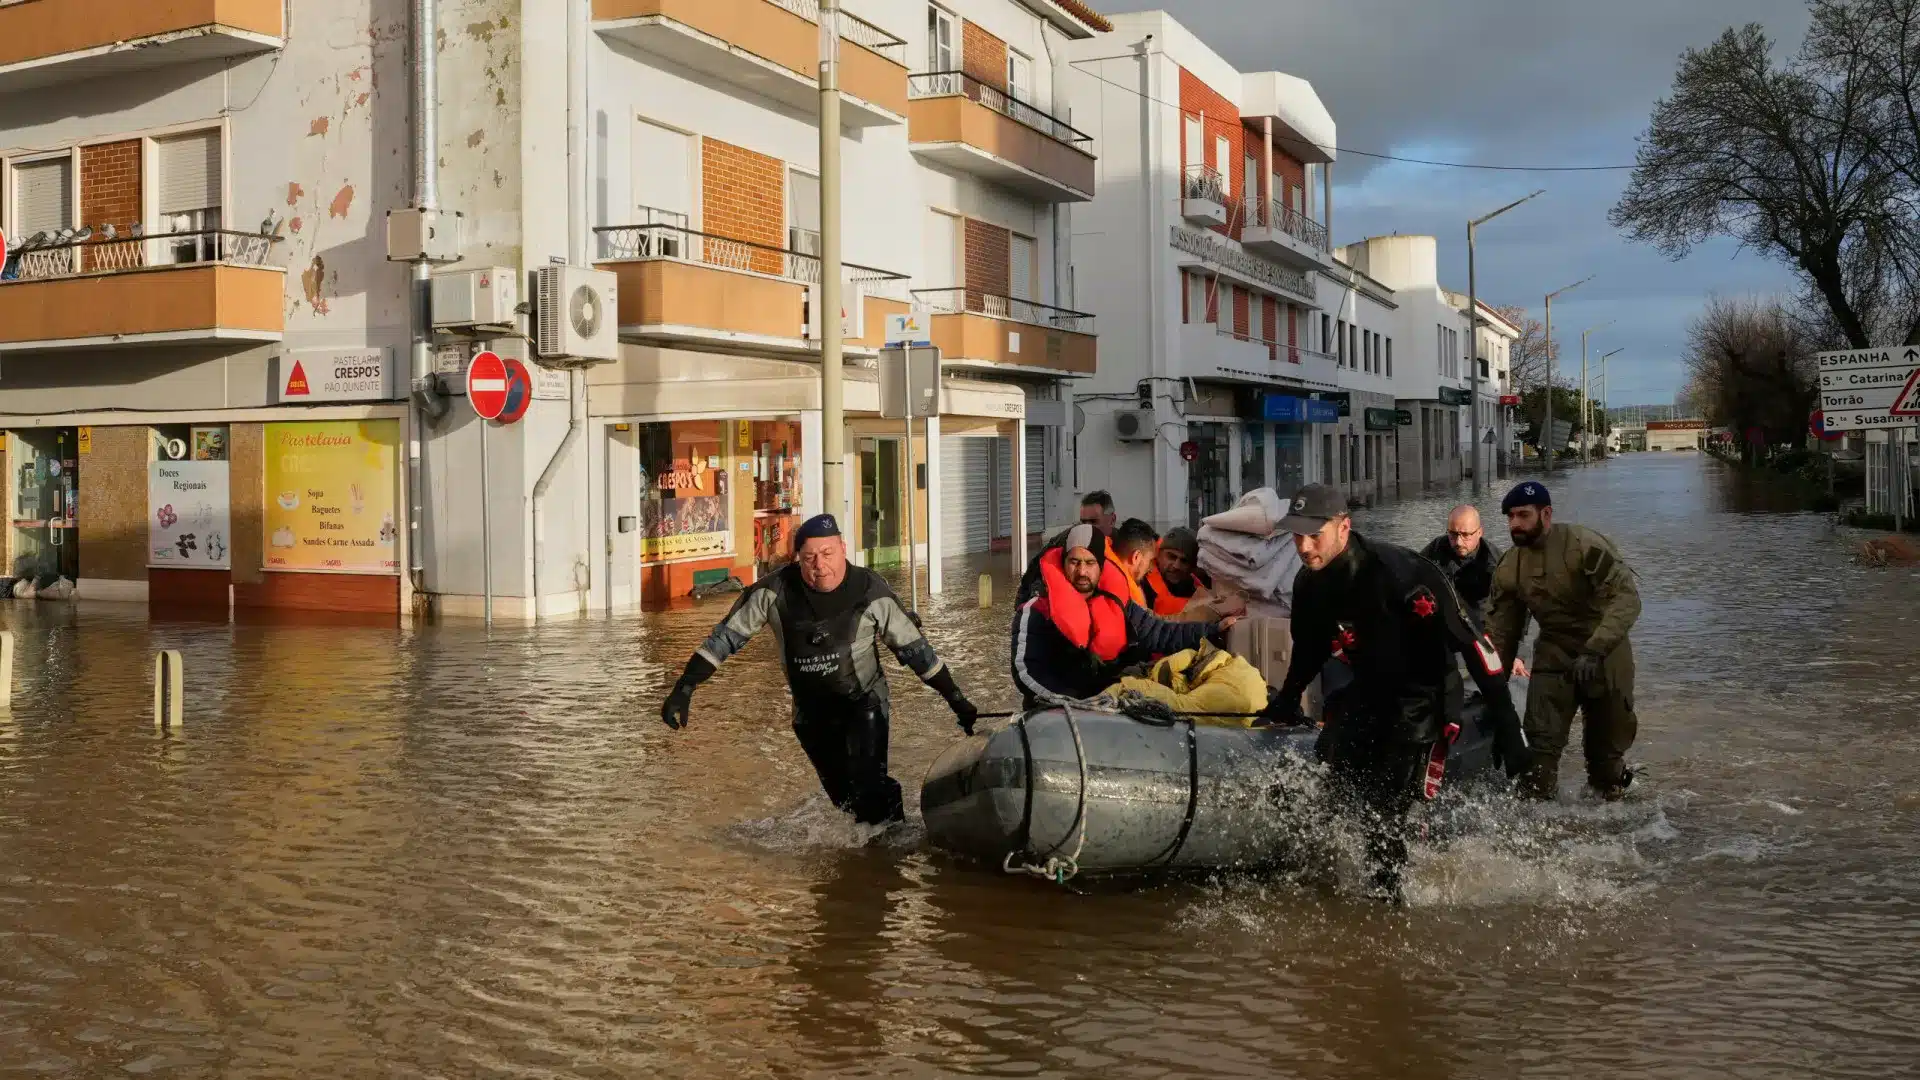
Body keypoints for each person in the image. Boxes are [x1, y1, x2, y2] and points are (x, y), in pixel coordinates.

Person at [1265, 484, 1528, 903]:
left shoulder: (1401, 573)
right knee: (1331, 779)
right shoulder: (1309, 585)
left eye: (1314, 534)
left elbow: (1476, 647)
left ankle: (1389, 907)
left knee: (1385, 813)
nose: (1303, 545)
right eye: (1296, 535)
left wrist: (1510, 729)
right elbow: (1310, 649)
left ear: (1344, 528)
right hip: (1369, 689)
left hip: (1423, 697)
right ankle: (1333, 890)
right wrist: (1285, 698)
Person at [659, 513, 979, 825]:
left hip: (864, 702)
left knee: (869, 788)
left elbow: (917, 652)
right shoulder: (773, 592)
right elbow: (724, 640)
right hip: (810, 715)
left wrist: (957, 700)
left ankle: (891, 851)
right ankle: (877, 847)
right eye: (809, 557)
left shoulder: (871, 590)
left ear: (843, 547)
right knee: (844, 802)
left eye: (827, 553)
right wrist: (684, 688)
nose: (819, 565)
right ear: (797, 558)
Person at [1486, 481, 1642, 802]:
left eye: (1523, 515)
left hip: (1605, 654)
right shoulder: (1510, 567)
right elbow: (1503, 634)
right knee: (1537, 762)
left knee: (1605, 767)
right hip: (1554, 656)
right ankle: (1542, 833)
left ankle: (1611, 807)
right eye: (1511, 516)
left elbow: (1626, 600)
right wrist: (1495, 691)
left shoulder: (1583, 546)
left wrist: (1595, 649)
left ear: (1546, 514)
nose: (1515, 523)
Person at [1011, 524, 1234, 706]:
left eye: (1090, 563)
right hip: (1056, 710)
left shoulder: (1119, 605)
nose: (1082, 572)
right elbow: (1026, 671)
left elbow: (1162, 632)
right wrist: (1072, 703)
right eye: (1074, 562)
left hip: (1103, 706)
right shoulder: (1037, 610)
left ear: (1101, 566)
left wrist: (1214, 630)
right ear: (1063, 563)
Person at [1420, 505, 1500, 622]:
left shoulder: (1494, 563)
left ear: (1479, 532)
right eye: (1453, 534)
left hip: (1480, 625)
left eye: (1466, 535)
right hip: (1443, 618)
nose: (1458, 542)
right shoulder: (1436, 548)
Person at [1141, 526, 1214, 617]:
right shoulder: (1142, 584)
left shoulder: (1193, 585)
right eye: (1171, 556)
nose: (1176, 566)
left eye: (1184, 561)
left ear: (1191, 567)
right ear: (1158, 554)